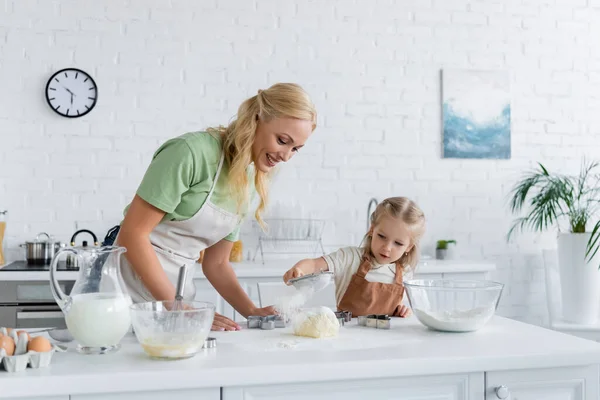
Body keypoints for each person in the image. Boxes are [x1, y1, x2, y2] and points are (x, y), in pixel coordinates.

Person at [111, 83, 317, 331]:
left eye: (295, 148)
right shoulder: (190, 153)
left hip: (176, 299)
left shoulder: (249, 180)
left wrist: (252, 311)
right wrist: (178, 309)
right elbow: (133, 235)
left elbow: (216, 263)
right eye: (282, 141)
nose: (285, 156)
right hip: (123, 291)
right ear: (256, 119)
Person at [283, 197, 426, 317]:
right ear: (372, 229)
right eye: (382, 236)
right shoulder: (350, 258)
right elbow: (314, 264)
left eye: (398, 243)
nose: (387, 248)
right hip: (349, 338)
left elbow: (406, 308)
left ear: (408, 247)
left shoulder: (405, 272)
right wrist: (299, 269)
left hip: (385, 341)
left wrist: (402, 311)